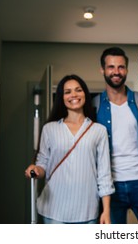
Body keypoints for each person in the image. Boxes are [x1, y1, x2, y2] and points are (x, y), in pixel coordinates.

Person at [25, 74, 114, 224]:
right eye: (68, 92)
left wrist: (106, 211)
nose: (74, 95)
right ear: (62, 97)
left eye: (78, 90)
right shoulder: (50, 129)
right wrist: (35, 169)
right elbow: (43, 164)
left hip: (87, 211)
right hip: (53, 210)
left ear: (85, 94)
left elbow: (104, 174)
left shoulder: (99, 131)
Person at [93, 46, 138, 224]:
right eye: (111, 67)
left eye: (121, 67)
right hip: (111, 187)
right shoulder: (94, 106)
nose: (116, 72)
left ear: (126, 70)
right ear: (102, 70)